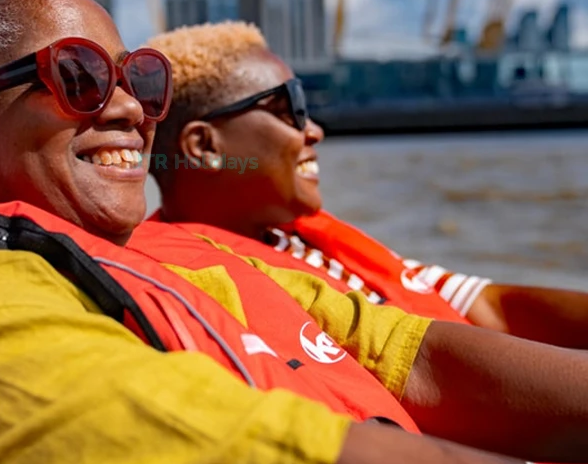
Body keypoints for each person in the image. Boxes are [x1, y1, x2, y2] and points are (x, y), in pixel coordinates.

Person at [0, 0, 588, 464]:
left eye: (139, 78)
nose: (131, 106)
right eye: (81, 77)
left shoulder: (202, 259)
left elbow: (421, 362)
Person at [142, 21, 588, 348]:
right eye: (290, 108)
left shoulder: (310, 241)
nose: (313, 130)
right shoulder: (191, 285)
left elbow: (488, 308)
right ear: (204, 145)